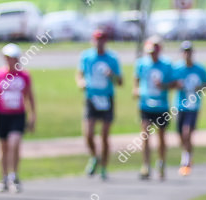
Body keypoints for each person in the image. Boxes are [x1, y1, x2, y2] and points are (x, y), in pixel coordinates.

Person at [0, 43, 35, 193]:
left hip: (18, 114)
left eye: (13, 58)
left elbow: (29, 97)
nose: (11, 61)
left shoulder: (24, 76)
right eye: (8, 58)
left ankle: (14, 175)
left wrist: (33, 116)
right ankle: (4, 177)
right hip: (2, 115)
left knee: (14, 143)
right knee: (3, 148)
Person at [76, 29, 122, 180]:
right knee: (88, 134)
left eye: (102, 39)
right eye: (96, 39)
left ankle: (104, 167)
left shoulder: (112, 58)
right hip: (91, 98)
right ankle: (95, 156)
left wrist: (112, 75)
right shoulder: (86, 57)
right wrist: (81, 82)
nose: (99, 42)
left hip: (106, 98)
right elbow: (80, 74)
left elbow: (120, 82)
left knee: (104, 135)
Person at [133, 36, 177, 180]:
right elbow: (136, 79)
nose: (152, 55)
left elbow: (174, 83)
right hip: (146, 104)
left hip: (162, 105)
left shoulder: (167, 64)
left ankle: (161, 163)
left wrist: (163, 86)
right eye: (150, 52)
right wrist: (136, 90)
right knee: (145, 135)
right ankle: (145, 165)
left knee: (161, 137)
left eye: (155, 52)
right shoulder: (141, 64)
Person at [173, 41, 206, 176]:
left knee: (187, 132)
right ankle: (188, 152)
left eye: (189, 52)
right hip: (180, 105)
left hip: (193, 106)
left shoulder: (200, 69)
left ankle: (186, 161)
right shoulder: (177, 68)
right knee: (180, 134)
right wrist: (176, 84)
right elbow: (170, 83)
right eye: (185, 52)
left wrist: (199, 87)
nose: (187, 54)